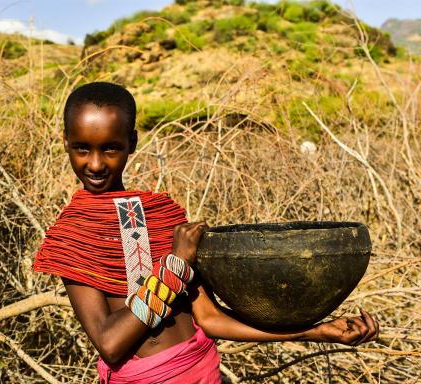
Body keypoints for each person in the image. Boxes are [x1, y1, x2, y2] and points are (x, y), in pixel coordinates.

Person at [33, 82, 379, 383]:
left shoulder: (163, 214)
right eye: (82, 148)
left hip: (203, 370)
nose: (95, 164)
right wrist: (174, 264)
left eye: (111, 148)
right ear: (65, 143)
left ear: (132, 142)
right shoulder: (70, 236)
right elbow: (110, 344)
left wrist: (313, 331)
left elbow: (210, 320)